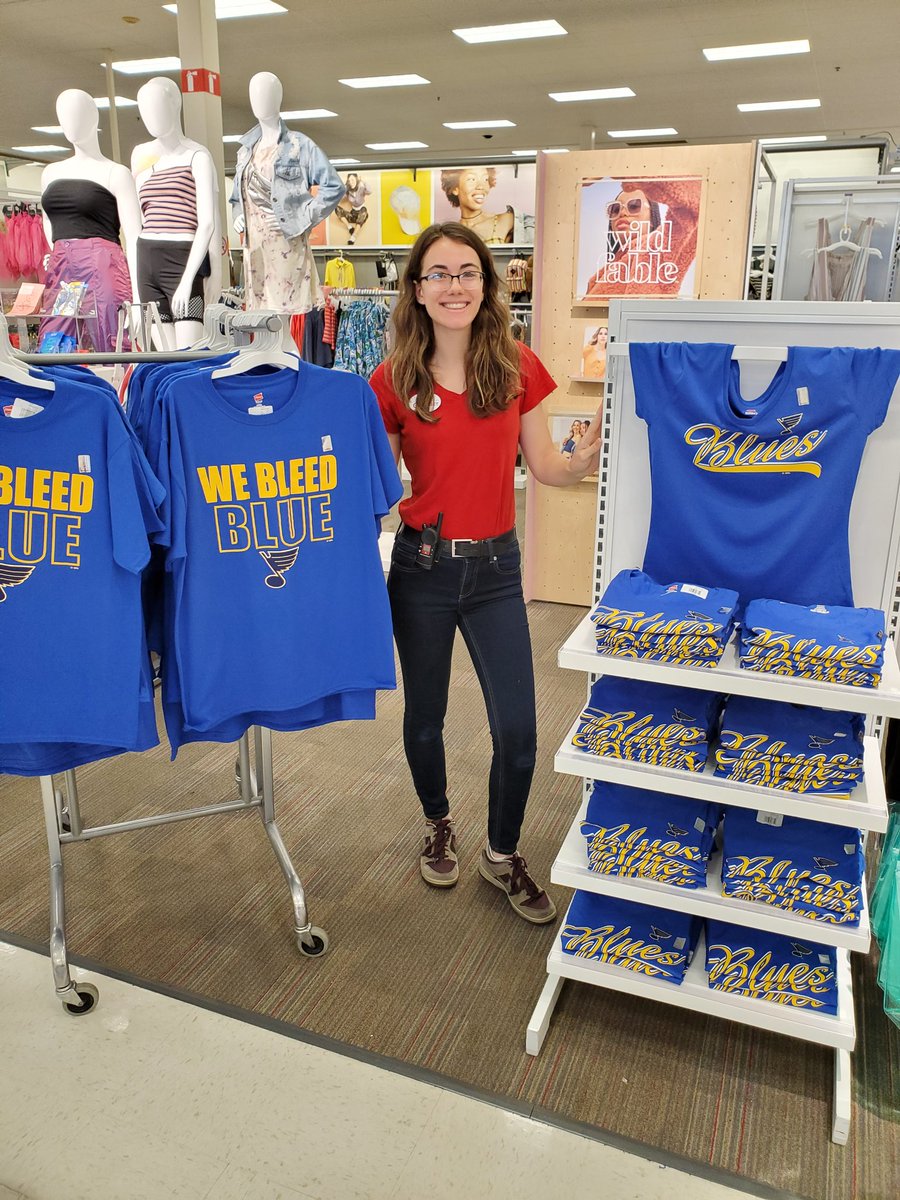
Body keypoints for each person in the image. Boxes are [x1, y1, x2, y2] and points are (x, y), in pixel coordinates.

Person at [370, 221, 601, 924]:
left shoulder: (516, 366)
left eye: (467, 272)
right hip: (422, 565)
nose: (454, 286)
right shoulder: (392, 380)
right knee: (425, 720)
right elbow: (378, 489)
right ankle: (438, 822)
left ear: (487, 284)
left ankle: (501, 855)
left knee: (521, 734)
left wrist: (584, 459)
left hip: (498, 568)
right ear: (416, 289)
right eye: (438, 274)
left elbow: (549, 468)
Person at [586, 178, 701, 297]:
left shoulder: (659, 248)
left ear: (652, 218)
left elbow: (693, 203)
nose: (622, 212)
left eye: (634, 206)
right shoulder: (599, 277)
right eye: (615, 209)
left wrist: (640, 176)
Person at [439, 167, 533, 246]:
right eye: (472, 179)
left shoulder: (507, 220)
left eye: (485, 179)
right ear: (455, 189)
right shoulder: (450, 232)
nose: (481, 186)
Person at [334, 172, 371, 245]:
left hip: (362, 213)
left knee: (364, 210)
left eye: (353, 180)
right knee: (336, 208)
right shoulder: (348, 191)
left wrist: (363, 181)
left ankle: (353, 237)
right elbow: (340, 199)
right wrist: (344, 189)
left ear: (357, 180)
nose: (351, 182)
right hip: (353, 213)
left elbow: (369, 191)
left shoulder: (361, 188)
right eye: (349, 180)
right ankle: (350, 227)